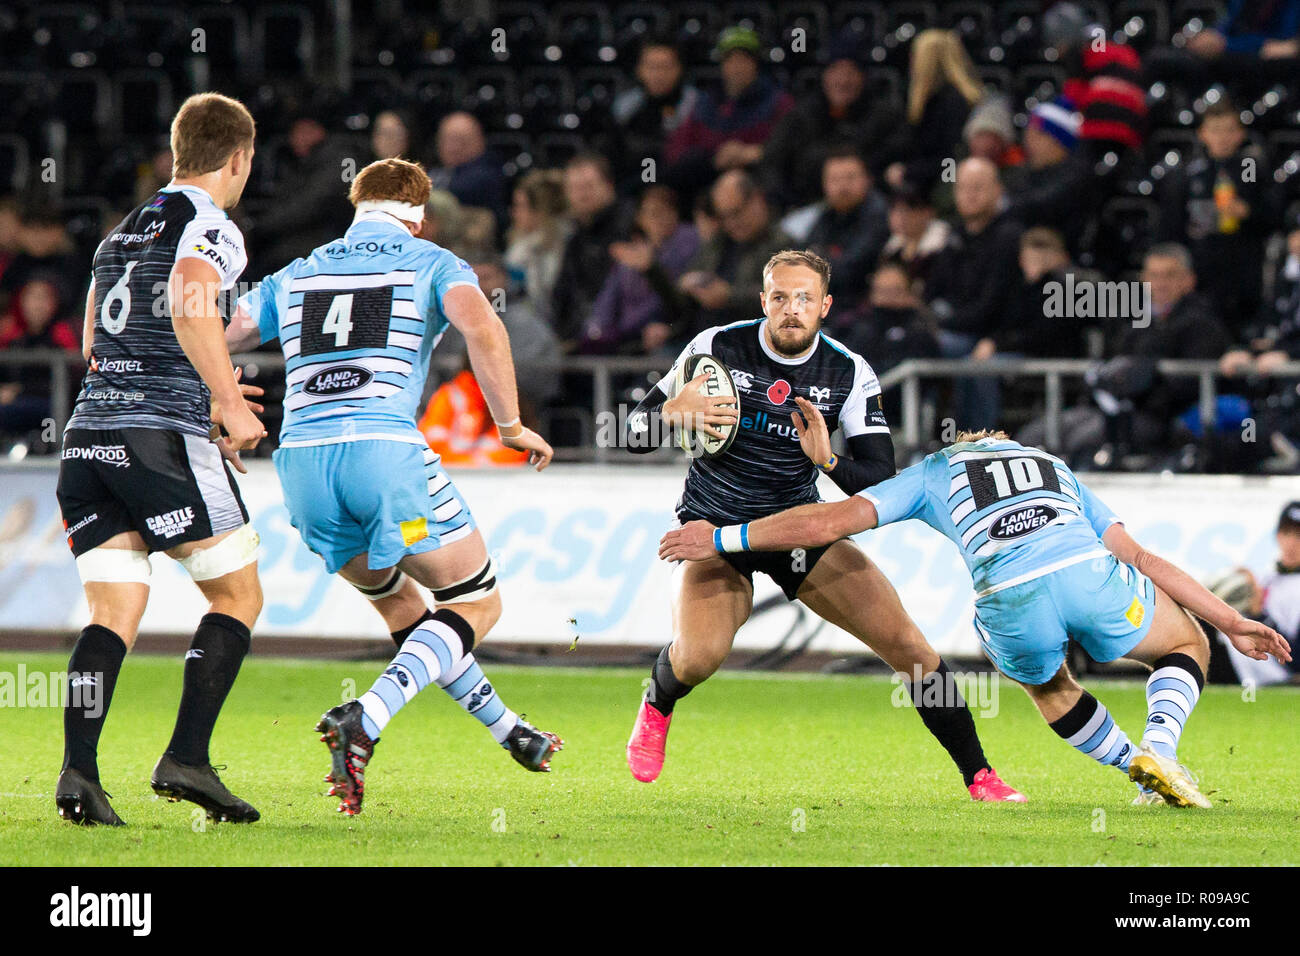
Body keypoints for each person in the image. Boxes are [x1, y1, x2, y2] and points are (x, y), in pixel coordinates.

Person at [660, 430, 1292, 807]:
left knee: (1047, 687)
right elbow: (1143, 557)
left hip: (1008, 599)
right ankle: (1161, 748)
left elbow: (826, 522)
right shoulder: (1054, 466)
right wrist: (1231, 621)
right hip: (1085, 572)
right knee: (1184, 641)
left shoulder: (934, 471)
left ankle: (1138, 765)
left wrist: (722, 538)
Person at [621, 249, 1024, 802]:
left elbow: (879, 481)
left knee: (906, 643)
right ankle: (657, 703)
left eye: (805, 299)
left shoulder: (849, 372)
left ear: (826, 306)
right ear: (763, 301)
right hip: (712, 529)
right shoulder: (715, 346)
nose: (792, 309)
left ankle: (980, 775)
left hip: (797, 531)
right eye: (781, 297)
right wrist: (668, 412)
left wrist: (828, 461)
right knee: (698, 656)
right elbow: (625, 433)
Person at [227, 158, 561, 816]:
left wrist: (216, 406)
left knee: (407, 613)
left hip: (299, 466)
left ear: (357, 205)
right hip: (382, 456)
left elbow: (222, 332)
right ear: (420, 212)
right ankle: (366, 719)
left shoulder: (300, 269)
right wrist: (512, 424)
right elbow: (483, 328)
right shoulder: (434, 261)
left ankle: (510, 730)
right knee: (476, 603)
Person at [54, 93, 267, 826]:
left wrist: (191, 391)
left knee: (112, 612)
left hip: (87, 438)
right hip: (155, 439)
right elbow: (189, 299)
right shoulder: (212, 226)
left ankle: (79, 774)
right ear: (238, 157)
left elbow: (93, 342)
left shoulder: (117, 235)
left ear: (178, 151)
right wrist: (226, 402)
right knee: (238, 596)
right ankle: (187, 759)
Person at [1157, 99, 1280, 334]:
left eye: (1229, 130)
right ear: (1202, 134)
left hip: (1244, 276)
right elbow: (1170, 227)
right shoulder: (1188, 174)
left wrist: (1247, 211)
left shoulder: (1248, 167)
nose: (1222, 137)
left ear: (1240, 134)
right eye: (1215, 130)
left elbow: (1270, 212)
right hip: (1202, 276)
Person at [664, 26, 793, 197]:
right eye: (730, 60)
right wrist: (713, 159)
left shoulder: (779, 103)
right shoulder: (704, 104)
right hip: (707, 186)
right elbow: (675, 152)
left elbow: (793, 149)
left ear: (755, 63)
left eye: (743, 59)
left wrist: (756, 153)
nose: (736, 67)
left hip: (757, 188)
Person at [882, 29, 985, 194]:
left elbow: (950, 158)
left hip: (948, 190)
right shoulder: (932, 101)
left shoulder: (952, 103)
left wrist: (945, 195)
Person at [608, 37, 700, 190]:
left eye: (665, 66)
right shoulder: (624, 107)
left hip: (682, 184)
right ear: (639, 70)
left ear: (679, 69)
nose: (658, 74)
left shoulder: (695, 105)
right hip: (634, 182)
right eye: (652, 66)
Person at [801, 147, 890, 304]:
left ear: (868, 179)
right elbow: (801, 258)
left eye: (850, 178)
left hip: (862, 302)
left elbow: (852, 271)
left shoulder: (878, 215)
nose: (843, 187)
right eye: (834, 180)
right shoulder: (827, 215)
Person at [503, 169, 570, 318]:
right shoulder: (522, 243)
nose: (514, 213)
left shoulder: (555, 246)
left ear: (540, 210)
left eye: (520, 205)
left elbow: (540, 297)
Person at [430, 111, 507, 230]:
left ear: (479, 141)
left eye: (460, 140)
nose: (452, 147)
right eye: (446, 139)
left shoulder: (485, 175)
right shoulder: (438, 172)